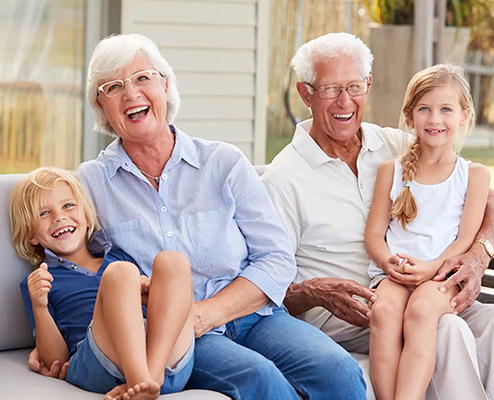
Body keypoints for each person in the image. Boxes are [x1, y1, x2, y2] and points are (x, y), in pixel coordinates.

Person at [28, 33, 367, 400]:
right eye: (113, 87)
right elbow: (83, 263)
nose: (131, 94)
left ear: (166, 85)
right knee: (259, 378)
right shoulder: (93, 181)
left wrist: (208, 313)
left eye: (143, 78)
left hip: (254, 317)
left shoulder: (223, 161)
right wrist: (51, 339)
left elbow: (276, 257)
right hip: (173, 334)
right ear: (101, 106)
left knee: (338, 370)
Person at [262, 32, 494, 399]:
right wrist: (314, 292)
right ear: (305, 93)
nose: (345, 101)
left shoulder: (395, 144)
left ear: (368, 86)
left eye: (355, 86)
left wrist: (476, 255)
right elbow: (270, 286)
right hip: (353, 315)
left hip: (427, 283)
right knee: (447, 331)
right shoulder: (284, 178)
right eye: (329, 89)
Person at [366, 64, 494, 400]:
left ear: (464, 115)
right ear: (410, 115)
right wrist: (390, 264)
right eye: (424, 109)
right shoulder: (392, 170)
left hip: (441, 275)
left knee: (422, 311)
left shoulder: (473, 175)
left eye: (446, 110)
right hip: (395, 274)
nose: (435, 119)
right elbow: (373, 236)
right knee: (383, 312)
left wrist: (430, 269)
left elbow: (464, 240)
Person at [11, 167, 195, 400]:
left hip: (162, 358)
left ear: (87, 217)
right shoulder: (40, 281)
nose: (59, 217)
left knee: (173, 261)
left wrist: (148, 292)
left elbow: (156, 309)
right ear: (31, 235)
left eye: (68, 206)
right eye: (44, 213)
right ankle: (139, 378)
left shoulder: (119, 256)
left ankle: (151, 378)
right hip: (98, 362)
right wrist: (39, 306)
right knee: (121, 273)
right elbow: (56, 360)